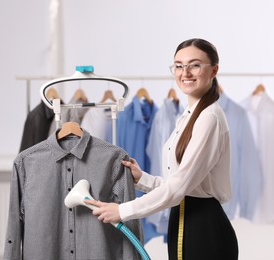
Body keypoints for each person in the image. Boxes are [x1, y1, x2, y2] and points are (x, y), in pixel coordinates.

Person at [85, 38, 239, 260]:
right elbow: (182, 186)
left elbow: (179, 188)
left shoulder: (209, 118)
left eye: (194, 65)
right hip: (183, 224)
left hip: (205, 232)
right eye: (178, 65)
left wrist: (122, 211)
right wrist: (143, 179)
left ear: (214, 70)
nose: (185, 72)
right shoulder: (187, 116)